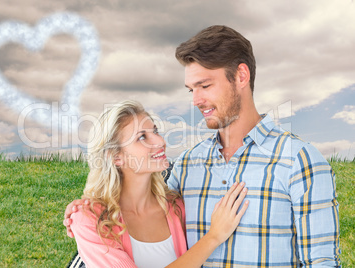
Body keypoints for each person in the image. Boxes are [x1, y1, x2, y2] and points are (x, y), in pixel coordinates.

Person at [65, 25, 341, 267]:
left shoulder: (299, 161)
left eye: (205, 86)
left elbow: (322, 262)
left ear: (241, 76)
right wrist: (87, 212)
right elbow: (139, 209)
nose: (195, 100)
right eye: (191, 90)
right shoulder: (186, 167)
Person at [68, 100, 249, 267]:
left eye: (155, 131)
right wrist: (214, 237)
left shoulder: (175, 208)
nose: (160, 141)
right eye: (142, 137)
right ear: (116, 157)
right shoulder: (90, 220)